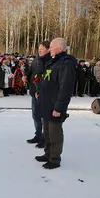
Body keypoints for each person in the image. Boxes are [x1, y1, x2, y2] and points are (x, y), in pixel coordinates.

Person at [35, 38, 77, 169]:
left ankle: (54, 159)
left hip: (55, 105)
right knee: (46, 131)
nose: (50, 49)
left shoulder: (66, 64)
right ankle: (47, 154)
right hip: (47, 103)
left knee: (55, 133)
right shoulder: (53, 62)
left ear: (60, 48)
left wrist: (59, 107)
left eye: (52, 47)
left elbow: (65, 88)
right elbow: (48, 81)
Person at [24, 41, 51, 149]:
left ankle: (45, 138)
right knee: (35, 115)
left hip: (44, 94)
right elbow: (30, 71)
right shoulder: (36, 60)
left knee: (44, 117)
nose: (39, 50)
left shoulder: (50, 61)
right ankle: (38, 135)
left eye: (42, 49)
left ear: (48, 49)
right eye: (39, 48)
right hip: (34, 91)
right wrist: (26, 76)